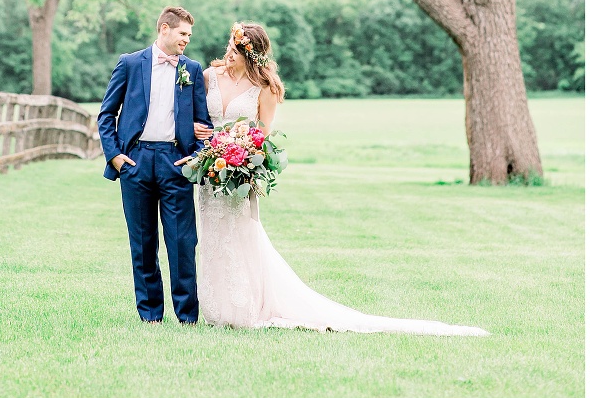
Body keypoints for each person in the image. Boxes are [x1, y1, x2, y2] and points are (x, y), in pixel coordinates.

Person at [194, 21, 489, 336]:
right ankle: (216, 308)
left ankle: (244, 307)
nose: (229, 55)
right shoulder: (209, 77)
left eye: (236, 52)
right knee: (212, 235)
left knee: (241, 237)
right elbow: (195, 119)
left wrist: (236, 150)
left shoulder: (265, 87)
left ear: (252, 56)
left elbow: (261, 134)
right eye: (229, 47)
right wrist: (201, 134)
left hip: (239, 172)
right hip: (211, 172)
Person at [98, 5, 212, 324]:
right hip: (135, 161)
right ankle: (150, 315)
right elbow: (106, 114)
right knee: (143, 242)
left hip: (176, 161)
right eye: (182, 33)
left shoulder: (191, 68)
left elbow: (202, 122)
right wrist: (116, 156)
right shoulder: (130, 64)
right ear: (164, 29)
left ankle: (187, 316)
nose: (186, 40)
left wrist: (197, 154)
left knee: (182, 241)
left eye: (189, 35)